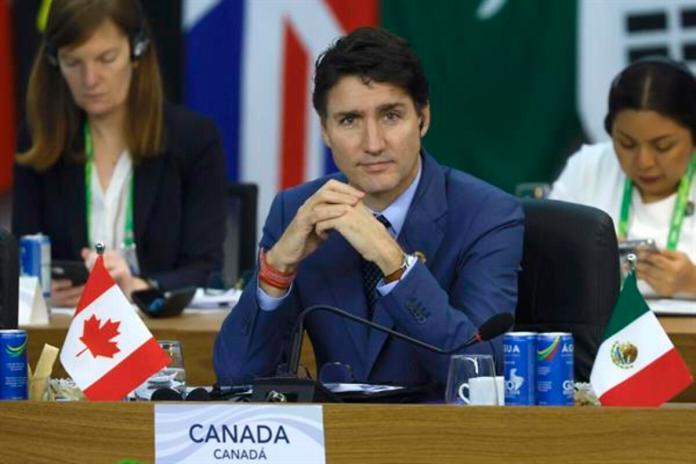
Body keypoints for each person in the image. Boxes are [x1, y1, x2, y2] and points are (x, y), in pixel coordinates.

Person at [214, 27, 524, 396]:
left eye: (391, 116)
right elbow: (235, 378)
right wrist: (277, 269)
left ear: (423, 119)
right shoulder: (296, 210)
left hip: (443, 441)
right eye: (349, 120)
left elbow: (479, 374)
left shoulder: (489, 215)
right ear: (326, 132)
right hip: (332, 442)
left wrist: (392, 260)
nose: (373, 143)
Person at [12, 0, 226, 306]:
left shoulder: (193, 139)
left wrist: (139, 285)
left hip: (163, 331)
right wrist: (39, 290)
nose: (90, 79)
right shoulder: (40, 139)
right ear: (54, 62)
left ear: (137, 51)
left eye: (106, 58)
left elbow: (206, 270)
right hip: (69, 330)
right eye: (73, 63)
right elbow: (21, 258)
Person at [550, 57, 696, 298]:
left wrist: (692, 283)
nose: (644, 162)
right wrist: (589, 264)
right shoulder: (589, 167)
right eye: (626, 143)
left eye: (663, 146)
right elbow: (542, 262)